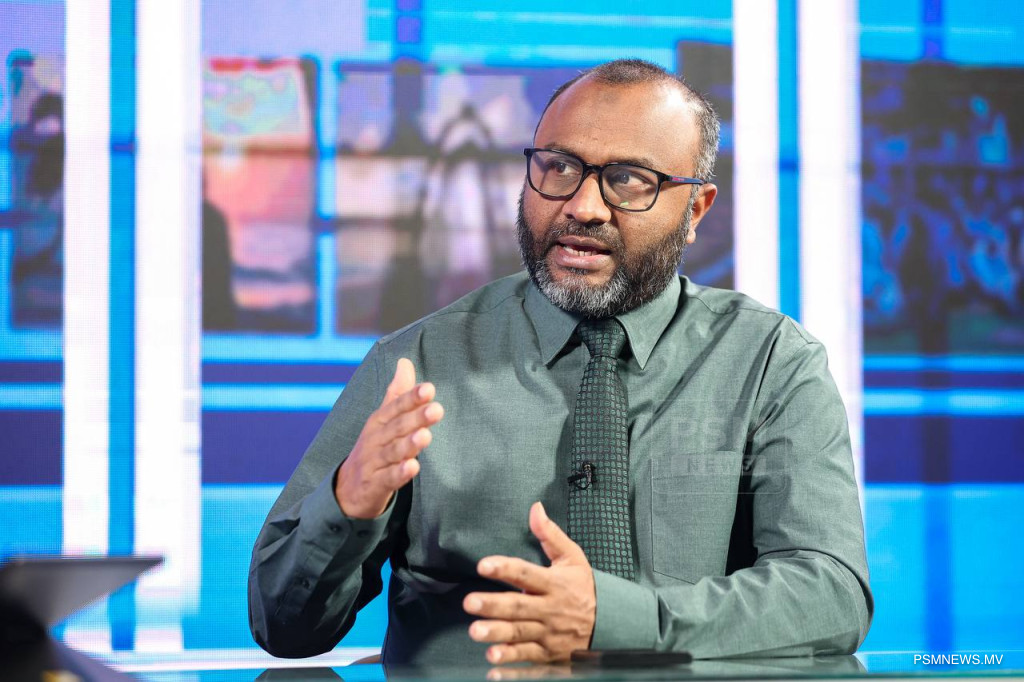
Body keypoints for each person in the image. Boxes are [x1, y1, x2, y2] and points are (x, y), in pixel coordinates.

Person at [248, 59, 872, 667]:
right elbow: (283, 630)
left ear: (696, 211)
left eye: (628, 179)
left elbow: (831, 594)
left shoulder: (770, 362)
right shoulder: (417, 363)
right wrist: (348, 504)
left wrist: (622, 621)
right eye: (560, 167)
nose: (583, 206)